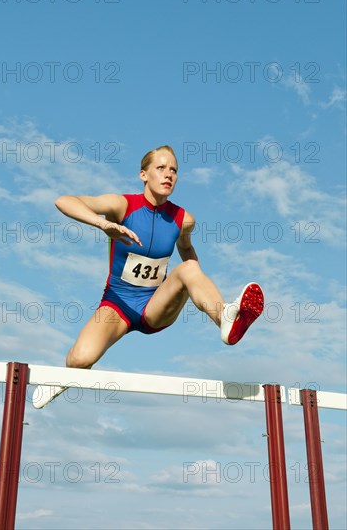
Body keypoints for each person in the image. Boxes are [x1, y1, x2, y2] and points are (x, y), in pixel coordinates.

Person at [33, 145, 264, 408]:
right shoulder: (122, 205)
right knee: (80, 359)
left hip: (155, 305)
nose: (169, 175)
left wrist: (195, 284)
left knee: (189, 268)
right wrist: (103, 223)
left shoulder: (183, 219)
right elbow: (64, 201)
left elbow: (186, 249)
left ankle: (226, 318)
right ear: (144, 174)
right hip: (118, 304)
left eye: (174, 170)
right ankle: (63, 377)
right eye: (161, 168)